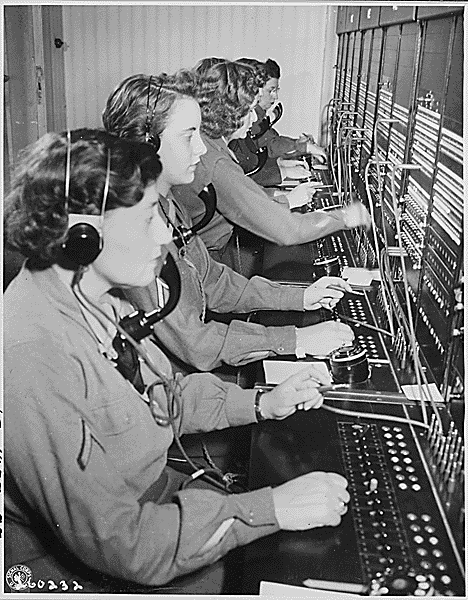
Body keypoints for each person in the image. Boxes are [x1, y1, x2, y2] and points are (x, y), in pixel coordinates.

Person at [4, 129, 350, 594]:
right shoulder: (33, 356)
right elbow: (123, 544)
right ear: (84, 237)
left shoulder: (97, 295)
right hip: (76, 565)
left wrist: (259, 403)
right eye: (149, 217)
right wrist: (268, 509)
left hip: (150, 499)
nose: (166, 233)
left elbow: (164, 396)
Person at [102, 71, 356, 374]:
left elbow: (213, 281)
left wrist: (300, 296)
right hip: (170, 385)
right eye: (188, 136)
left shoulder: (167, 206)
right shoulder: (134, 231)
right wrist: (296, 339)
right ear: (148, 145)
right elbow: (194, 342)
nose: (200, 148)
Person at [172, 59, 371, 274]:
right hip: (204, 263)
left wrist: (284, 200)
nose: (253, 120)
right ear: (229, 113)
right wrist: (347, 217)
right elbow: (289, 231)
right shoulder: (216, 163)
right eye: (249, 111)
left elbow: (244, 196)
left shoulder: (213, 146)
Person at [230, 57, 326, 187]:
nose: (276, 97)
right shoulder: (240, 127)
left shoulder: (253, 117)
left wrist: (280, 163)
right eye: (271, 90)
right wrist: (285, 170)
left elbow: (256, 158)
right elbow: (267, 149)